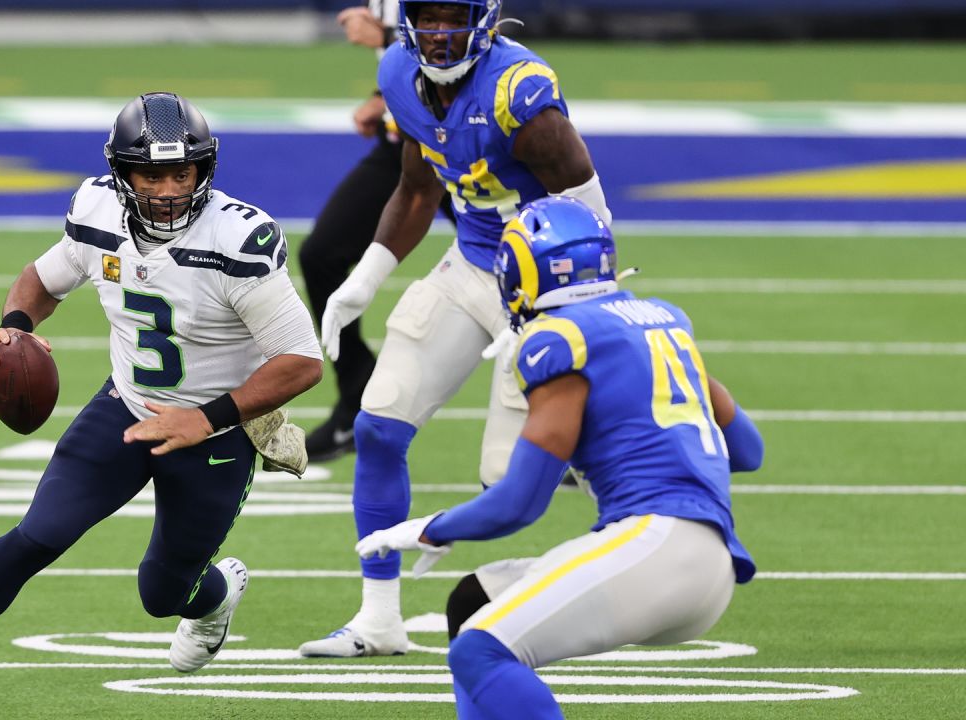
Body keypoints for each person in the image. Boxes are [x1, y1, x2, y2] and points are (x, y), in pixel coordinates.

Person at [0, 92, 323, 720]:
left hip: (213, 431)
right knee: (35, 536)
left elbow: (300, 359)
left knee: (163, 592)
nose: (168, 190)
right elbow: (41, 279)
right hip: (127, 407)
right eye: (151, 174)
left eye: (182, 173)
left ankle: (215, 598)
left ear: (204, 170)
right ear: (122, 172)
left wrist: (203, 419)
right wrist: (14, 328)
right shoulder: (96, 208)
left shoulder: (239, 239)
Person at [356, 196, 763, 719]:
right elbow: (748, 450)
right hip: (709, 561)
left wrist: (430, 528)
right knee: (475, 604)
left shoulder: (560, 337)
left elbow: (519, 505)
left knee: (482, 649)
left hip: (657, 547)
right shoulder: (663, 320)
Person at [300, 0, 614, 657]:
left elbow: (591, 217)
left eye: (454, 18)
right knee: (378, 424)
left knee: (509, 483)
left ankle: (627, 554)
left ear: (486, 20)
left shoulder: (518, 95)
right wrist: (364, 280)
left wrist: (547, 309)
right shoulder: (398, 71)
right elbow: (418, 190)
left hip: (544, 284)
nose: (440, 34)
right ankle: (378, 619)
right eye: (428, 17)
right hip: (472, 265)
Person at [300, 0, 456, 462]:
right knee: (321, 255)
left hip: (466, 143)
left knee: (526, 273)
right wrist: (382, 94)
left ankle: (573, 430)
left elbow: (469, 44)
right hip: (405, 147)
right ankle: (357, 399)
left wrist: (388, 40)